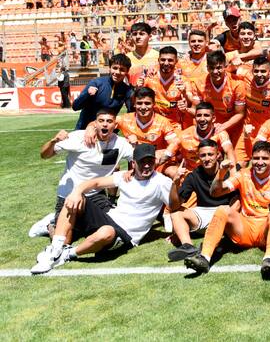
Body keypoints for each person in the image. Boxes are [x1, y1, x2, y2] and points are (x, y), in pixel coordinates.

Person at [31, 144, 178, 274]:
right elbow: (95, 182)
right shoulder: (124, 176)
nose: (147, 166)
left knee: (106, 232)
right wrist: (77, 191)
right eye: (142, 162)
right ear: (133, 163)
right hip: (109, 217)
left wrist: (175, 185)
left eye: (150, 162)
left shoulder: (162, 182)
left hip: (127, 235)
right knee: (76, 198)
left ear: (155, 162)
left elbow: (176, 206)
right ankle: (55, 249)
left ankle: (67, 255)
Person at [183, 141, 270, 280]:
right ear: (251, 158)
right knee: (222, 209)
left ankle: (268, 260)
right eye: (256, 158)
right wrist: (221, 173)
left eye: (264, 158)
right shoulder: (243, 174)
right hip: (245, 229)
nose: (259, 162)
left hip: (267, 230)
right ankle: (204, 258)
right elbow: (215, 192)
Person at [28, 109, 134, 239]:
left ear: (115, 125)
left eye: (109, 121)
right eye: (101, 121)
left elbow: (138, 160)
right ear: (95, 123)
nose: (105, 124)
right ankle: (50, 225)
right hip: (69, 195)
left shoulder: (121, 143)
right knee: (66, 238)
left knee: (112, 227)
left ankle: (71, 220)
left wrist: (132, 166)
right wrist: (54, 141)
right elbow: (44, 155)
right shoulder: (78, 137)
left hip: (96, 195)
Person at [166, 139, 237, 262]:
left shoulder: (230, 171)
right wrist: (175, 183)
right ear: (198, 157)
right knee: (176, 213)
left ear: (218, 155)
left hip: (224, 213)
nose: (207, 158)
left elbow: (236, 202)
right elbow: (174, 206)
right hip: (203, 213)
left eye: (210, 154)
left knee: (229, 210)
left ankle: (218, 242)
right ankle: (187, 246)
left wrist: (228, 218)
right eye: (203, 155)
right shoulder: (194, 175)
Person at [186, 50, 246, 149]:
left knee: (237, 160)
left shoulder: (237, 84)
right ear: (207, 68)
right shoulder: (199, 83)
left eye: (219, 68)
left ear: (225, 66)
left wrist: (223, 126)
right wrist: (186, 109)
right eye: (212, 68)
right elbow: (196, 110)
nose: (215, 72)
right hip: (211, 124)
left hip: (234, 124)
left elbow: (240, 113)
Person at [163, 101, 236, 176]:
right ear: (195, 118)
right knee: (170, 170)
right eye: (199, 115)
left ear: (213, 118)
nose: (202, 119)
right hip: (190, 174)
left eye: (206, 115)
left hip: (213, 174)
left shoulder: (220, 133)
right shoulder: (184, 134)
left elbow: (229, 151)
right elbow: (167, 153)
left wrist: (233, 178)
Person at [72, 53, 134, 130]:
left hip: (107, 134)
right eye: (115, 68)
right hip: (84, 131)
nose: (117, 72)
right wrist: (87, 95)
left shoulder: (127, 90)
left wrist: (117, 126)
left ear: (127, 71)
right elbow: (75, 106)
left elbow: (132, 113)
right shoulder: (96, 83)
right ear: (109, 68)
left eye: (122, 70)